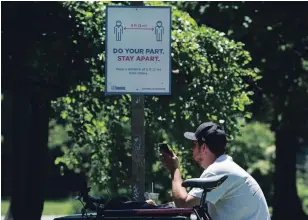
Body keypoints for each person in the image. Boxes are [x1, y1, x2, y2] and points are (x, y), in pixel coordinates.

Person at [149, 121, 271, 220]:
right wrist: (161, 207)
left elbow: (184, 205)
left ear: (203, 147)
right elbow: (192, 205)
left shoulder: (218, 170)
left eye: (194, 145)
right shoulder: (225, 166)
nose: (192, 149)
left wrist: (174, 168)